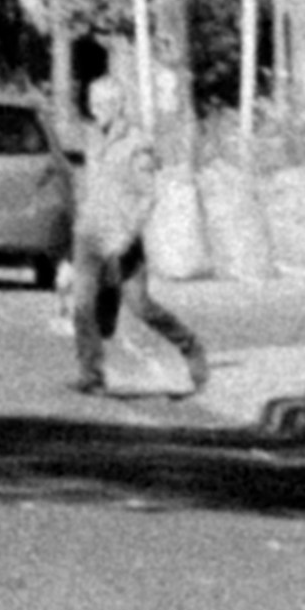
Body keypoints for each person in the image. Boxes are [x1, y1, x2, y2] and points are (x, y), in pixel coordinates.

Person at [67, 78, 207, 401]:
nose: (95, 110)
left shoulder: (137, 145)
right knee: (82, 307)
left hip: (120, 239)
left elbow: (148, 196)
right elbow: (87, 189)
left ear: (119, 106)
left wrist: (127, 236)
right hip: (89, 235)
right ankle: (91, 375)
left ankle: (190, 347)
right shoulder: (92, 140)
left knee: (141, 307)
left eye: (102, 104)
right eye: (92, 103)